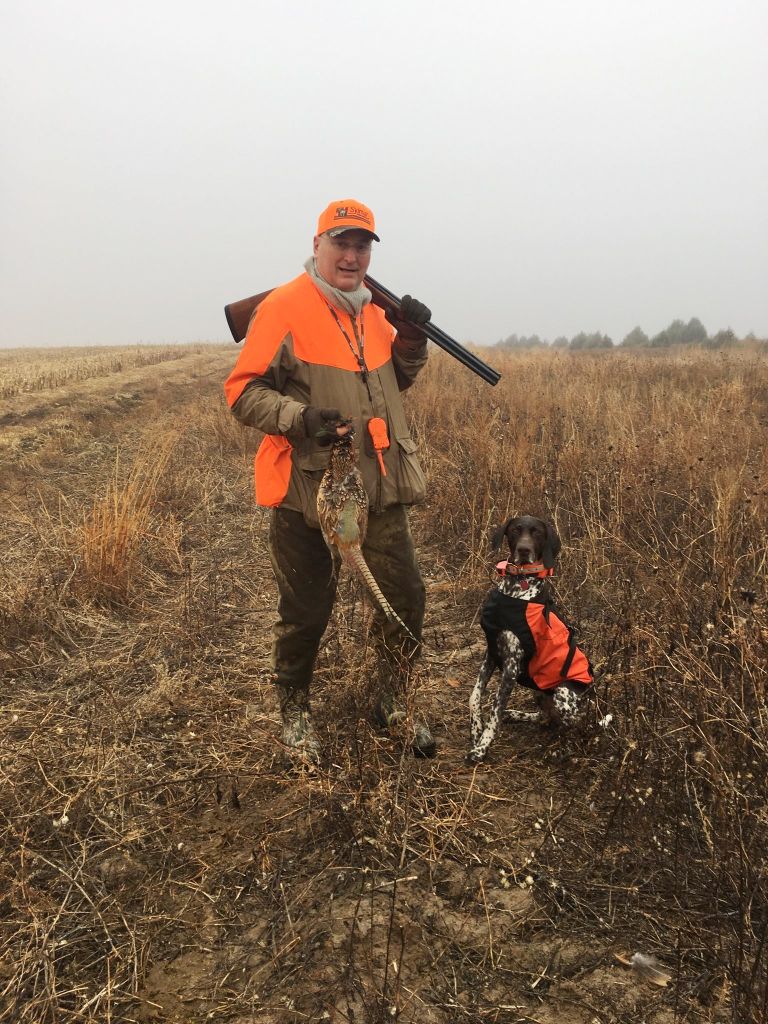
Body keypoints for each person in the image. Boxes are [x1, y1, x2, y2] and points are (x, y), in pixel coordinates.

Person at [224, 199, 434, 763]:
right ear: (317, 245)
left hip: (376, 484)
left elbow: (393, 386)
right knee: (307, 608)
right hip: (304, 489)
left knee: (404, 596)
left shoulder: (373, 311)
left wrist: (411, 340)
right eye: (341, 243)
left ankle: (391, 700)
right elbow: (242, 392)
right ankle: (293, 707)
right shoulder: (283, 307)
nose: (351, 255)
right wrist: (301, 419)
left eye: (362, 245)